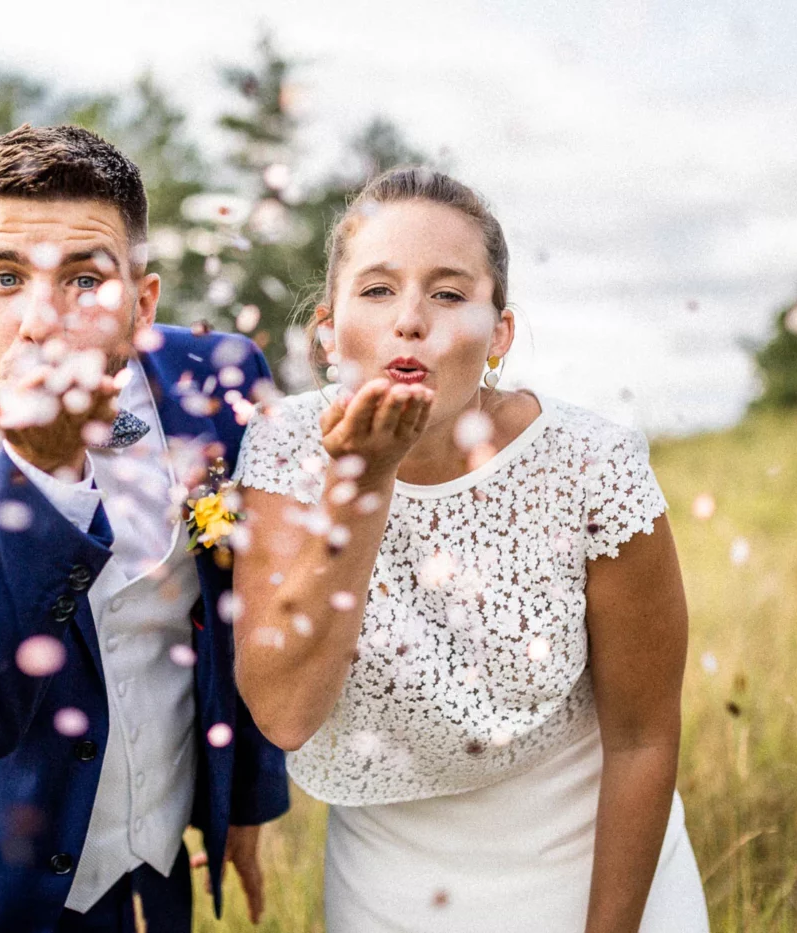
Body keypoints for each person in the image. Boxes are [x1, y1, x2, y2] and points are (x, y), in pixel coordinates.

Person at [0, 124, 288, 933]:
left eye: (85, 279)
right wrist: (37, 475)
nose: (41, 321)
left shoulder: (220, 376)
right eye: (5, 277)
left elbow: (248, 596)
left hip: (151, 881)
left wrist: (246, 799)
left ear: (143, 302)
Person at [229, 167, 709, 932]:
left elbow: (643, 738)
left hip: (596, 869)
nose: (410, 319)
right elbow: (283, 713)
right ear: (327, 329)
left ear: (499, 334)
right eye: (377, 289)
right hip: (389, 890)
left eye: (449, 294)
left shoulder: (593, 466)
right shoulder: (284, 448)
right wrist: (362, 485)